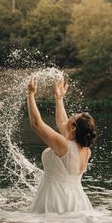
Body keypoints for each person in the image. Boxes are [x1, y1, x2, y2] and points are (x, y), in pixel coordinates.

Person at [27, 76, 97, 213]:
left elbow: (36, 124)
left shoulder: (64, 146)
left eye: (74, 116)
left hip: (56, 203)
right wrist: (59, 99)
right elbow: (63, 124)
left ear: (74, 128)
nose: (71, 116)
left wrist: (30, 94)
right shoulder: (85, 150)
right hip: (78, 203)